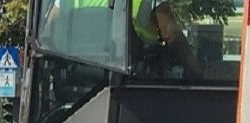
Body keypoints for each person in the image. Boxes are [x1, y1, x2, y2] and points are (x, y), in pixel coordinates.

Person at [43, 0, 201, 78]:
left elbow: (48, 31)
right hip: (133, 84)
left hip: (74, 82)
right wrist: (195, 68)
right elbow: (171, 34)